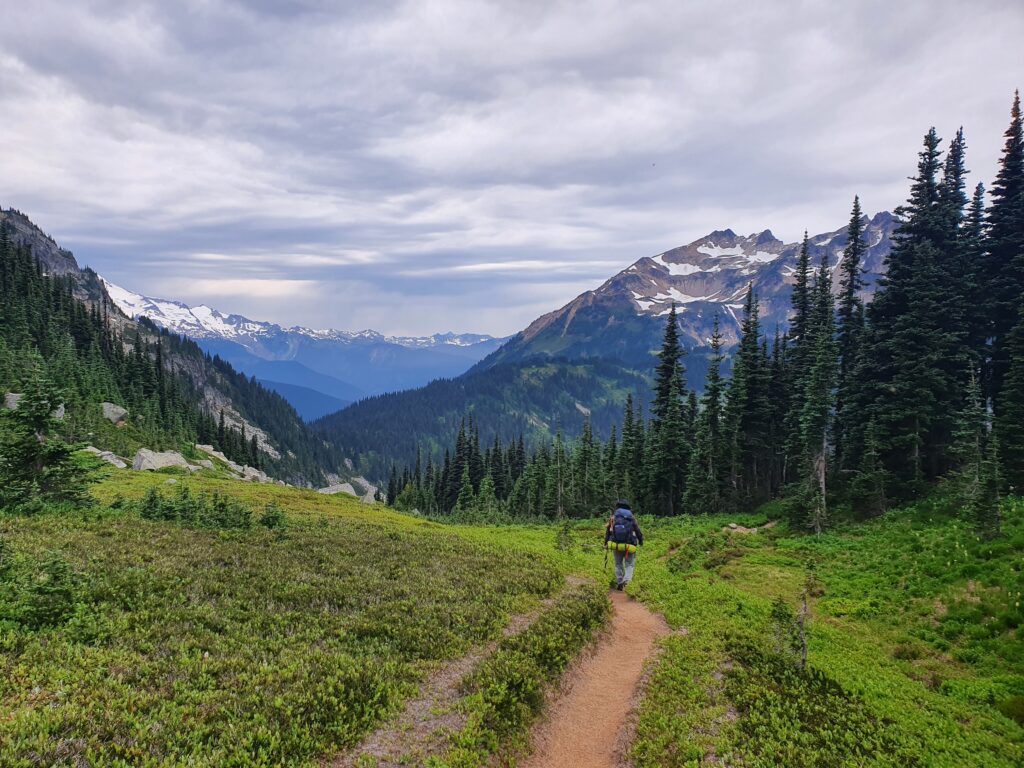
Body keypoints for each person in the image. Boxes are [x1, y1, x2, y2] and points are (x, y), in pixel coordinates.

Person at [605, 499, 643, 591]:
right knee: (629, 564)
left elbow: (608, 532)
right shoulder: (631, 517)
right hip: (629, 545)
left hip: (616, 544)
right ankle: (627, 581)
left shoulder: (613, 517)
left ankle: (619, 582)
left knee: (618, 564)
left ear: (617, 507)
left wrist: (606, 543)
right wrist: (641, 540)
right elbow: (637, 530)